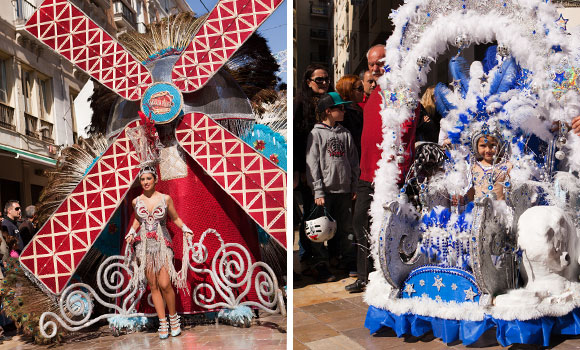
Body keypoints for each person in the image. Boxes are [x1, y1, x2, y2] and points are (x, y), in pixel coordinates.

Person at [347, 44, 418, 293]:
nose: (376, 68)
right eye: (372, 65)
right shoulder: (375, 92)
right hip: (367, 172)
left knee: (387, 225)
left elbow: (406, 126)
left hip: (389, 174)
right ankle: (365, 275)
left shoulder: (401, 89)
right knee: (360, 222)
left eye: (380, 63)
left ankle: (385, 273)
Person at [125, 166, 193, 339]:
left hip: (163, 244)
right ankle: (163, 323)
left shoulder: (165, 199)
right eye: (142, 179)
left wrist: (185, 229)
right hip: (144, 246)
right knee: (153, 285)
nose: (145, 182)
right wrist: (132, 233)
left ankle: (173, 319)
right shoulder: (136, 201)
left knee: (164, 284)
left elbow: (175, 218)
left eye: (149, 179)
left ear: (155, 180)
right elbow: (137, 221)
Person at [306, 92, 359, 275]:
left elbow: (353, 162)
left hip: (344, 190)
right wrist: (318, 190)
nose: (344, 111)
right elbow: (313, 165)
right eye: (340, 108)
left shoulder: (345, 133)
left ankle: (348, 259)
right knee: (322, 228)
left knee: (345, 228)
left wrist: (353, 186)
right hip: (325, 192)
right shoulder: (316, 134)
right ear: (328, 111)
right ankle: (321, 262)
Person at [294, 64, 336, 282]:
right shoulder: (300, 104)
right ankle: (317, 263)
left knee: (311, 217)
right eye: (319, 79)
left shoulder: (328, 103)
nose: (324, 82)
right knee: (313, 217)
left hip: (326, 171)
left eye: (327, 78)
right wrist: (298, 169)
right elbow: (297, 138)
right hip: (306, 172)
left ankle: (309, 260)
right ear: (308, 81)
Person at [468, 132, 511, 201]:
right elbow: (471, 192)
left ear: (499, 146)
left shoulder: (507, 166)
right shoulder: (473, 167)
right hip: (479, 209)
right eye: (483, 145)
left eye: (492, 145)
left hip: (499, 210)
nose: (488, 150)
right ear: (476, 146)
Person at [336, 74, 365, 159]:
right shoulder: (344, 112)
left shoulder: (358, 109)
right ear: (349, 90)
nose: (363, 92)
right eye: (360, 89)